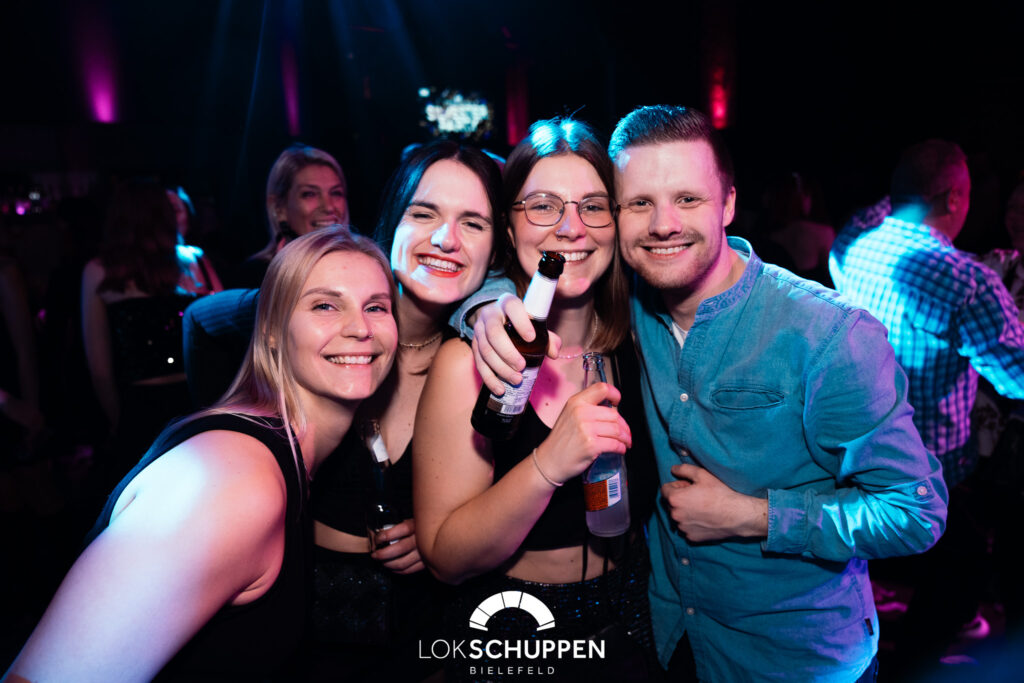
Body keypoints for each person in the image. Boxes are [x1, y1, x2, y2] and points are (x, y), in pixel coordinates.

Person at [469, 106, 948, 681]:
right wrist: (485, 307)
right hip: (669, 637)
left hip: (792, 662)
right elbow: (543, 264)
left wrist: (755, 516)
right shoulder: (631, 307)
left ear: (728, 204)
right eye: (639, 203)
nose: (663, 224)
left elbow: (916, 513)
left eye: (688, 199)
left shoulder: (828, 334)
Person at [3, 227, 399, 682]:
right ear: (271, 331)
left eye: (376, 307)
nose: (360, 328)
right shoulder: (235, 480)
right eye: (325, 305)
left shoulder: (285, 459)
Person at [414, 118, 659, 682]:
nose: (571, 228)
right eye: (544, 206)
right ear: (509, 225)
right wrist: (549, 463)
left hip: (631, 615)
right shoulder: (468, 362)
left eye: (593, 206)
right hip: (515, 625)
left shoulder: (637, 341)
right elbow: (446, 559)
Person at [306, 140, 505, 682]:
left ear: (495, 251)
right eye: (424, 214)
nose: (445, 239)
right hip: (300, 631)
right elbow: (210, 319)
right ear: (391, 221)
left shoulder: (488, 366)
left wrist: (441, 533)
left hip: (425, 642)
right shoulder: (325, 332)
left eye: (473, 223)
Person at [830, 140, 1024, 672]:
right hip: (923, 468)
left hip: (849, 450)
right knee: (965, 569)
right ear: (955, 200)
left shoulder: (852, 244)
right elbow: (1017, 376)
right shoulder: (967, 282)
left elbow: (881, 204)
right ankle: (908, 668)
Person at [80, 178, 222, 485]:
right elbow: (226, 337)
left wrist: (118, 420)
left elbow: (99, 369)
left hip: (145, 408)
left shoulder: (100, 271)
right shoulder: (195, 261)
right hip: (198, 403)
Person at [230, 143, 349, 288]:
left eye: (336, 193)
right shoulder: (256, 277)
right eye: (309, 194)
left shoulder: (362, 265)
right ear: (279, 208)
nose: (329, 207)